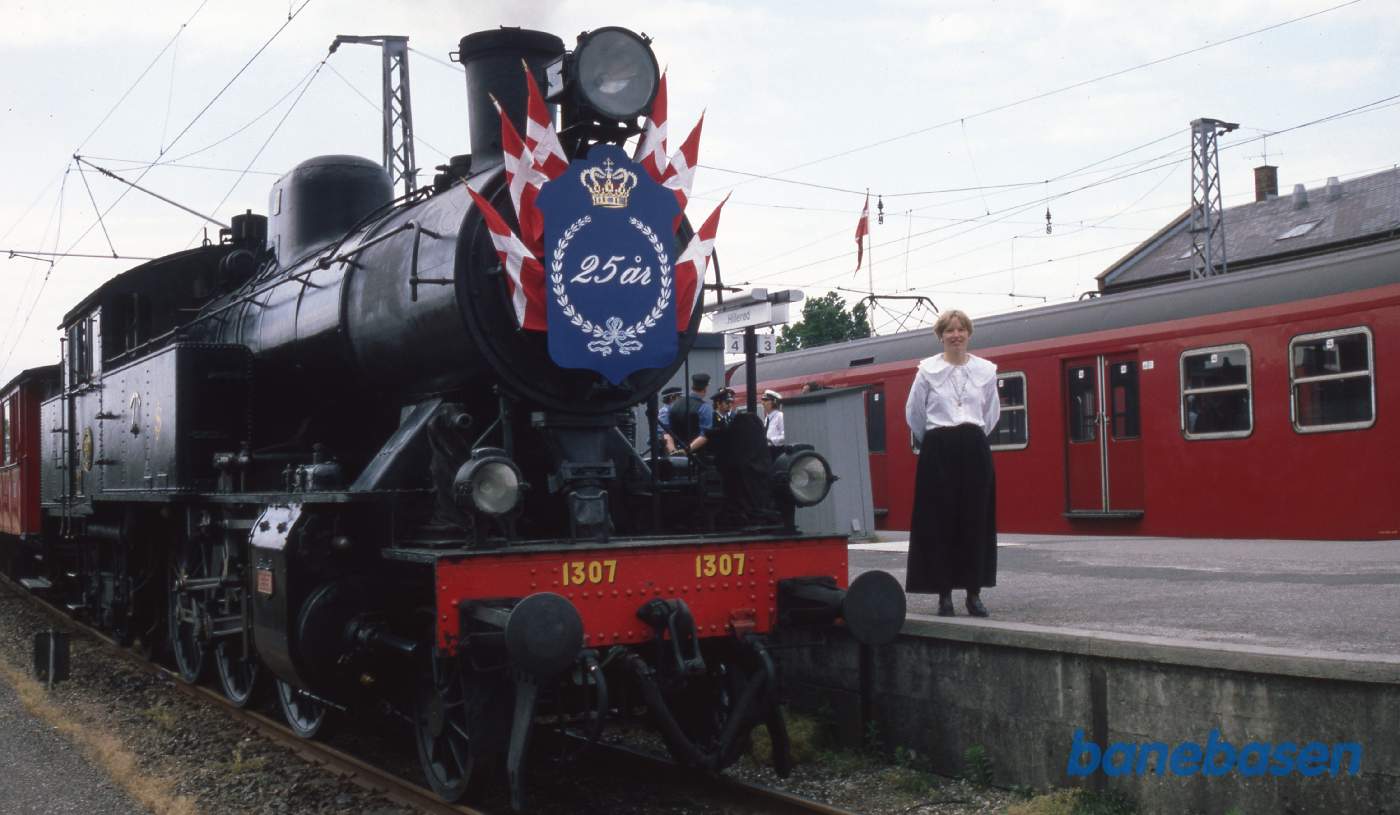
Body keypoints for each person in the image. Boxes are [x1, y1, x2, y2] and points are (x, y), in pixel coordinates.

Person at [903, 309, 1000, 618]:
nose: (956, 335)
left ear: (968, 334)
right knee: (939, 522)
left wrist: (971, 436)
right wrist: (936, 439)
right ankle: (944, 595)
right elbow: (914, 413)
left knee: (975, 520)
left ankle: (974, 593)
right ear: (941, 336)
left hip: (973, 446)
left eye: (961, 330)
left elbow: (991, 413)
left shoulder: (985, 371)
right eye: (950, 330)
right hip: (939, 448)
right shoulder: (926, 371)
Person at [658, 386, 683, 453]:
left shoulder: (674, 411)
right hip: (665, 445)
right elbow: (664, 432)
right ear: (672, 397)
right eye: (679, 396)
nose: (681, 399)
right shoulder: (665, 412)